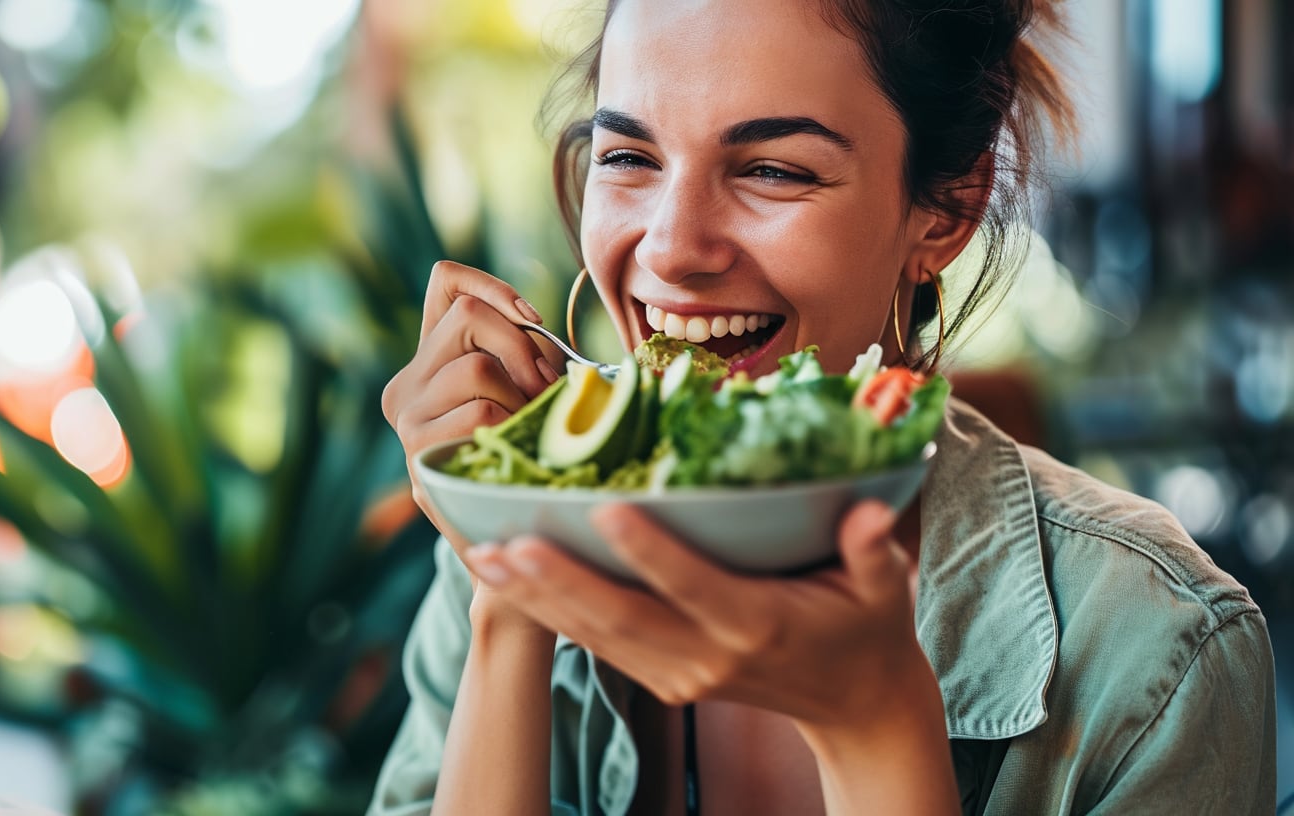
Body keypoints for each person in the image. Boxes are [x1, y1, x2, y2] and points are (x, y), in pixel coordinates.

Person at [372, 0, 1278, 813]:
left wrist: (876, 725)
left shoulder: (1163, 652)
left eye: (773, 169)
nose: (674, 248)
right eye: (629, 157)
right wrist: (510, 587)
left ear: (947, 206)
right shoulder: (507, 543)